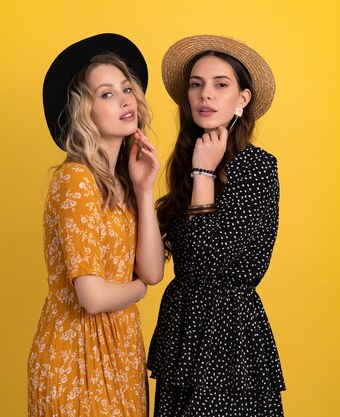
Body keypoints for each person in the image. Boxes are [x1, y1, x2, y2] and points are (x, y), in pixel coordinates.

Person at [148, 35, 286, 416]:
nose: (205, 95)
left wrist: (204, 170)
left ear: (243, 99)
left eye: (220, 85)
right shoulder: (188, 164)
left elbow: (210, 259)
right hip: (183, 326)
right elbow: (159, 264)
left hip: (230, 335)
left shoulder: (256, 167)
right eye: (196, 85)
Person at [28, 33, 164, 417]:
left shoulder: (121, 183)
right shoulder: (76, 179)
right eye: (106, 94)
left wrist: (143, 189)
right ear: (82, 111)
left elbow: (152, 271)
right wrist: (137, 291)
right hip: (76, 355)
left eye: (126, 88)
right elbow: (93, 297)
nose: (125, 100)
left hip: (120, 351)